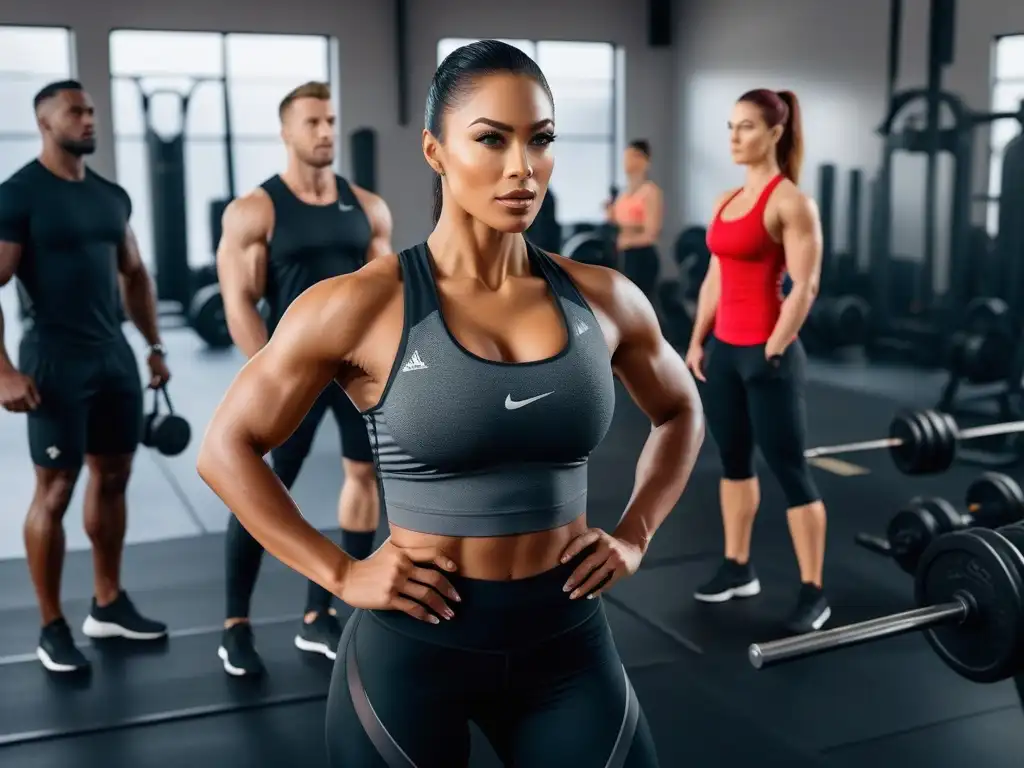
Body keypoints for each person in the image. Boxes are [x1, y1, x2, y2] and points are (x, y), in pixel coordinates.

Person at [197, 40, 704, 767]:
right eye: (492, 139)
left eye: (541, 139)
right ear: (436, 152)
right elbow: (225, 449)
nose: (522, 168)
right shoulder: (361, 305)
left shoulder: (605, 298)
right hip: (414, 650)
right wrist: (341, 574)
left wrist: (635, 534)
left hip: (567, 644)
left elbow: (681, 411)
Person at [215, 81, 393, 676]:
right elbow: (239, 299)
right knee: (258, 488)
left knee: (363, 476)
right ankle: (234, 624)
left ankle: (322, 614)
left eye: (330, 121)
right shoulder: (255, 210)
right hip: (289, 373)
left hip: (352, 374)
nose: (324, 132)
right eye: (312, 122)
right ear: (286, 131)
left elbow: (384, 292)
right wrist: (269, 373)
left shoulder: (367, 206)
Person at [0, 80, 171, 673]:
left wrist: (152, 345)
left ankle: (108, 603)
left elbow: (136, 274)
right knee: (55, 489)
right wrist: (2, 372)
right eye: (77, 111)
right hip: (53, 359)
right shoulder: (18, 195)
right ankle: (51, 625)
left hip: (112, 356)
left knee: (115, 475)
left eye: (92, 109)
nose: (89, 118)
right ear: (46, 122)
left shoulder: (110, 195)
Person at [685, 89, 829, 634]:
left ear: (774, 133)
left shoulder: (789, 200)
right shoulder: (725, 200)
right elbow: (715, 277)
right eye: (730, 126)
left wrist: (776, 343)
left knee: (791, 472)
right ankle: (738, 566)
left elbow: (805, 282)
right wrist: (698, 340)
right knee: (734, 464)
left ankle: (815, 591)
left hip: (769, 356)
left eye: (746, 127)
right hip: (723, 354)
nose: (734, 137)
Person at [606, 140, 663, 298]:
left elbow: (651, 233)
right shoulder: (623, 194)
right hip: (623, 256)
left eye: (633, 156)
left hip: (641, 258)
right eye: (626, 157)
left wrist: (629, 240)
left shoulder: (650, 192)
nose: (627, 161)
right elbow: (617, 225)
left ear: (644, 161)